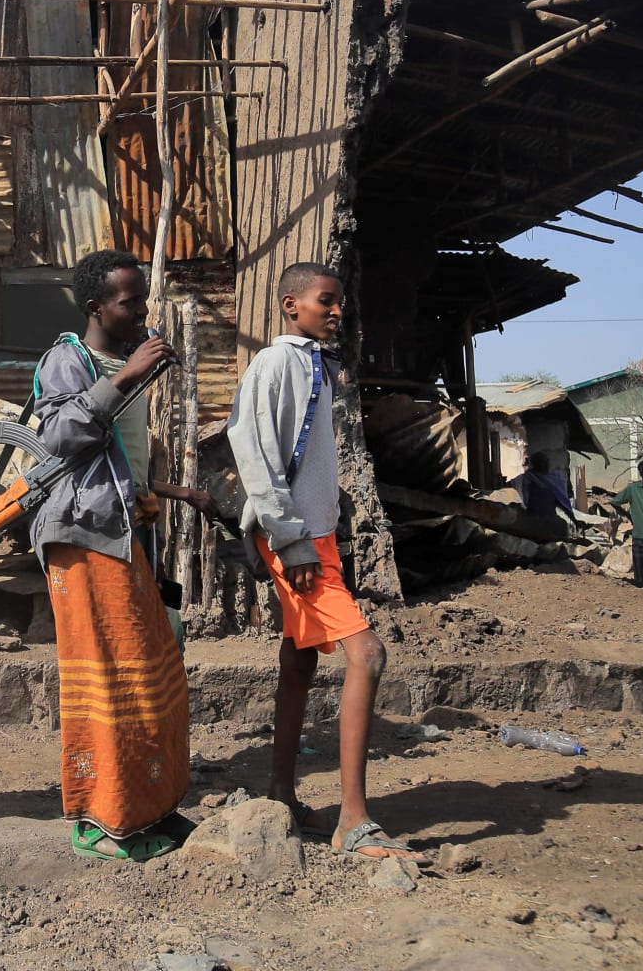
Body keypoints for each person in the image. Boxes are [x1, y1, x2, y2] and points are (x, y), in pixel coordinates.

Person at [227, 261, 431, 862]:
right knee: (367, 653)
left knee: (300, 659)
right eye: (326, 300)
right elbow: (254, 453)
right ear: (290, 305)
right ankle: (353, 821)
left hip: (315, 535)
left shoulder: (317, 365)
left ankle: (281, 796)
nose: (338, 311)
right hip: (295, 539)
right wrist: (290, 540)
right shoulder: (274, 363)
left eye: (340, 301)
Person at [30, 249, 214, 860]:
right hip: (83, 537)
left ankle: (146, 807)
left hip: (125, 533)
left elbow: (123, 467)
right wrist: (126, 376)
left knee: (148, 672)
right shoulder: (67, 360)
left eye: (143, 301)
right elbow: (56, 438)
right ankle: (97, 820)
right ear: (95, 307)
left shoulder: (123, 364)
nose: (142, 312)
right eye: (130, 303)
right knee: (105, 681)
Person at [511, 451, 573, 522]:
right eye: (542, 462)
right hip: (533, 518)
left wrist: (575, 520)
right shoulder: (528, 478)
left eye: (546, 462)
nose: (546, 465)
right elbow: (522, 498)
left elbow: (561, 502)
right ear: (536, 464)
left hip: (550, 518)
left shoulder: (554, 479)